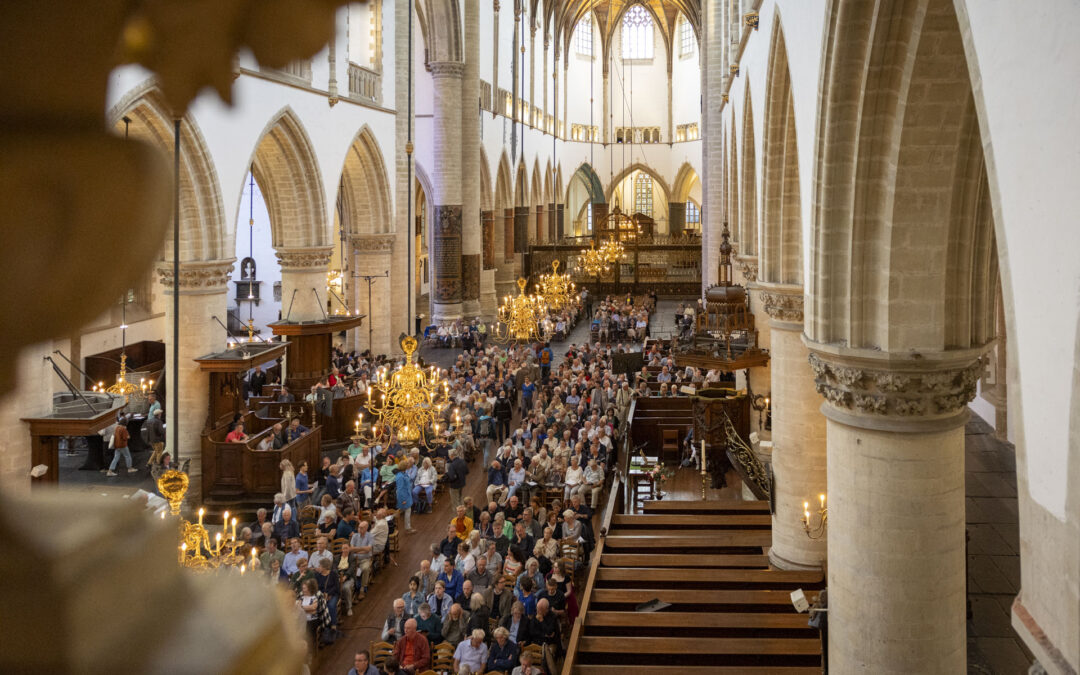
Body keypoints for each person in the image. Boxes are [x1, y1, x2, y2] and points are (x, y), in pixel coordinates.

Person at [394, 465, 415, 532]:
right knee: (407, 510)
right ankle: (407, 528)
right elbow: (400, 489)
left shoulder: (403, 474)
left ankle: (395, 523)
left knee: (403, 510)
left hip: (407, 494)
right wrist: (403, 499)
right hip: (403, 496)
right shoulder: (400, 476)